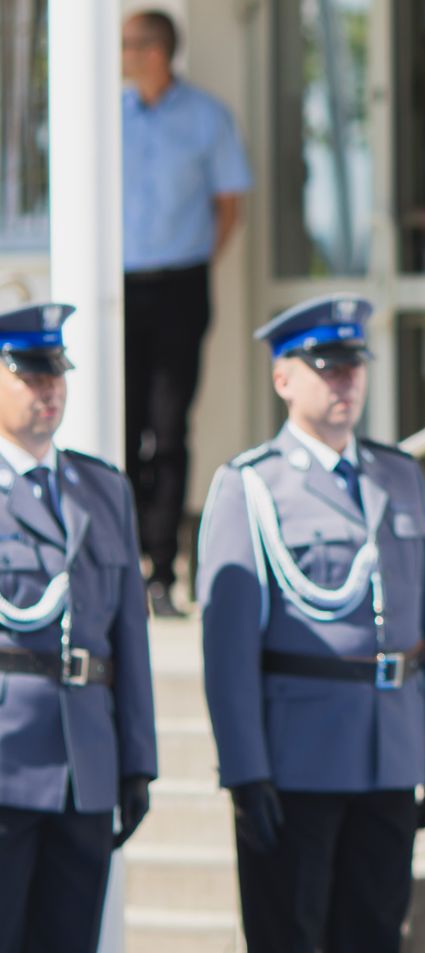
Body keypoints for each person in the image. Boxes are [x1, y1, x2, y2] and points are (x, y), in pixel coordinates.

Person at [197, 295, 425, 952]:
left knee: (374, 935)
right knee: (291, 936)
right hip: (297, 759)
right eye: (326, 367)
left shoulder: (400, 477)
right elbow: (227, 650)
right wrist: (244, 770)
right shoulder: (251, 484)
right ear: (283, 379)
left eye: (353, 365)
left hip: (389, 752)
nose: (345, 380)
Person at [0, 303, 157, 953]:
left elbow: (129, 637)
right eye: (30, 375)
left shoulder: (102, 488)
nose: (49, 390)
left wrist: (137, 758)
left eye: (56, 374)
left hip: (85, 763)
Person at [122, 9, 252, 617]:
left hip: (179, 284)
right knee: (119, 430)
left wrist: (198, 261)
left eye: (130, 44)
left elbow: (230, 204)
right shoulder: (105, 116)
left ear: (157, 51)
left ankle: (160, 574)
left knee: (169, 429)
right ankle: (120, 563)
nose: (121, 54)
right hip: (116, 292)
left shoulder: (205, 117)